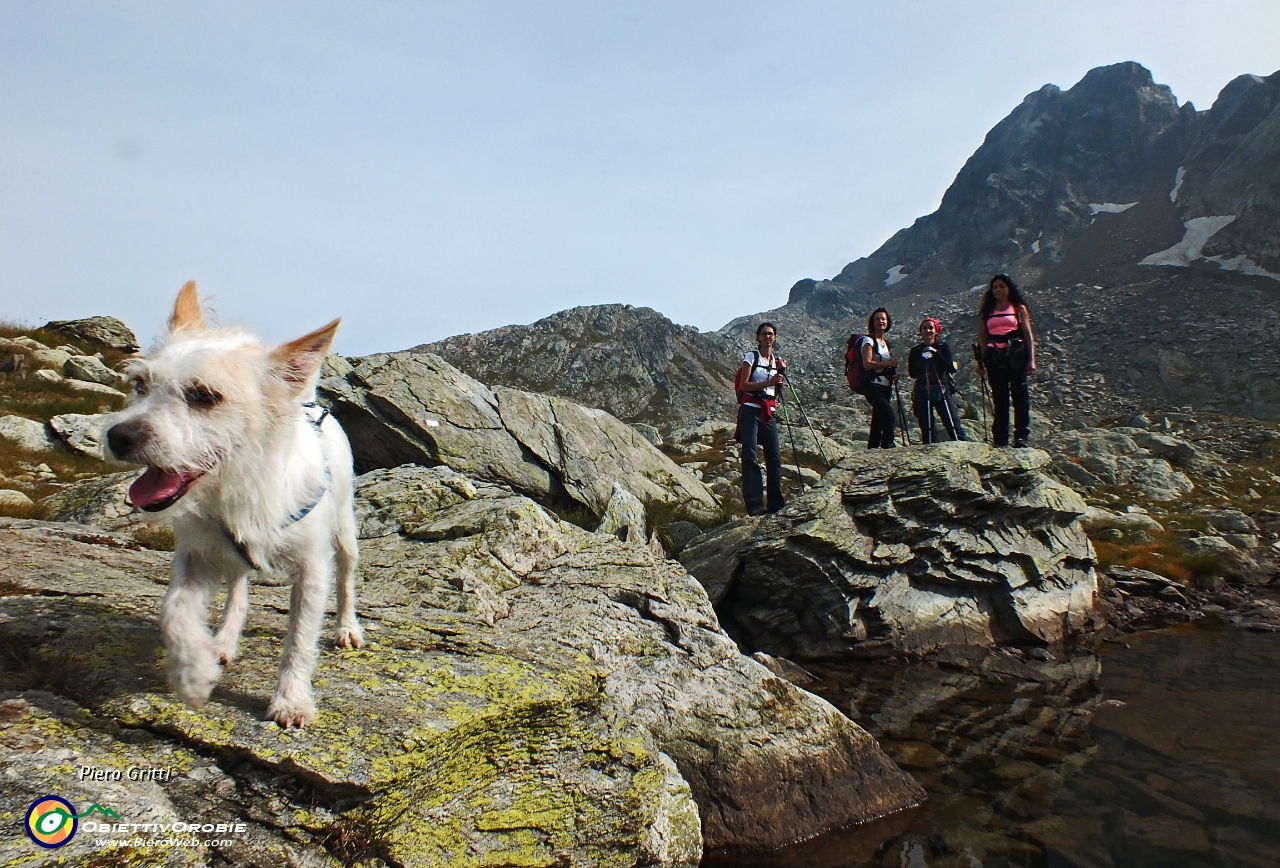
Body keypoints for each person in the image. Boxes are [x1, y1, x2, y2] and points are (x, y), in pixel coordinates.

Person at [977, 273, 1036, 447]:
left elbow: (1028, 334)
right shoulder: (986, 312)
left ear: (1009, 288)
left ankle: (1021, 436)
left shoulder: (1018, 309)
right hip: (994, 357)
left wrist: (1031, 359)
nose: (998, 290)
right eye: (995, 287)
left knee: (1020, 396)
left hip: (1017, 354)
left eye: (1002, 286)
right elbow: (982, 338)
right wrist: (980, 362)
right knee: (1000, 398)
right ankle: (1000, 438)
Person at [735, 322, 786, 515]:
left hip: (767, 411)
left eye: (771, 334)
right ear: (758, 337)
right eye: (764, 334)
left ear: (776, 337)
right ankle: (755, 505)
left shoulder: (776, 361)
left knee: (774, 458)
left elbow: (776, 390)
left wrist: (781, 372)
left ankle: (776, 503)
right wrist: (769, 381)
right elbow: (744, 385)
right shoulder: (751, 356)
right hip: (750, 410)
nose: (768, 337)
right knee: (750, 455)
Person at [908, 318, 967, 443]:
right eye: (924, 328)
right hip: (922, 390)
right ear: (920, 331)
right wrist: (922, 360)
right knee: (926, 427)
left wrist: (936, 354)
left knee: (953, 423)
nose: (927, 331)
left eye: (930, 328)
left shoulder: (943, 347)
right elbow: (912, 373)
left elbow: (950, 368)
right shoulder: (915, 351)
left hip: (942, 388)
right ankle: (928, 450)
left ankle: (962, 447)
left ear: (936, 331)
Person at [857, 308, 899, 449]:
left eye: (883, 319)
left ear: (888, 322)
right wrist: (890, 363)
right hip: (872, 385)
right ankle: (887, 444)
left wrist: (892, 373)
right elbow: (867, 363)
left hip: (885, 385)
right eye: (877, 319)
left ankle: (872, 449)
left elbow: (883, 366)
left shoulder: (886, 343)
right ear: (872, 322)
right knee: (888, 413)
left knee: (878, 419)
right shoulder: (868, 341)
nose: (880, 321)